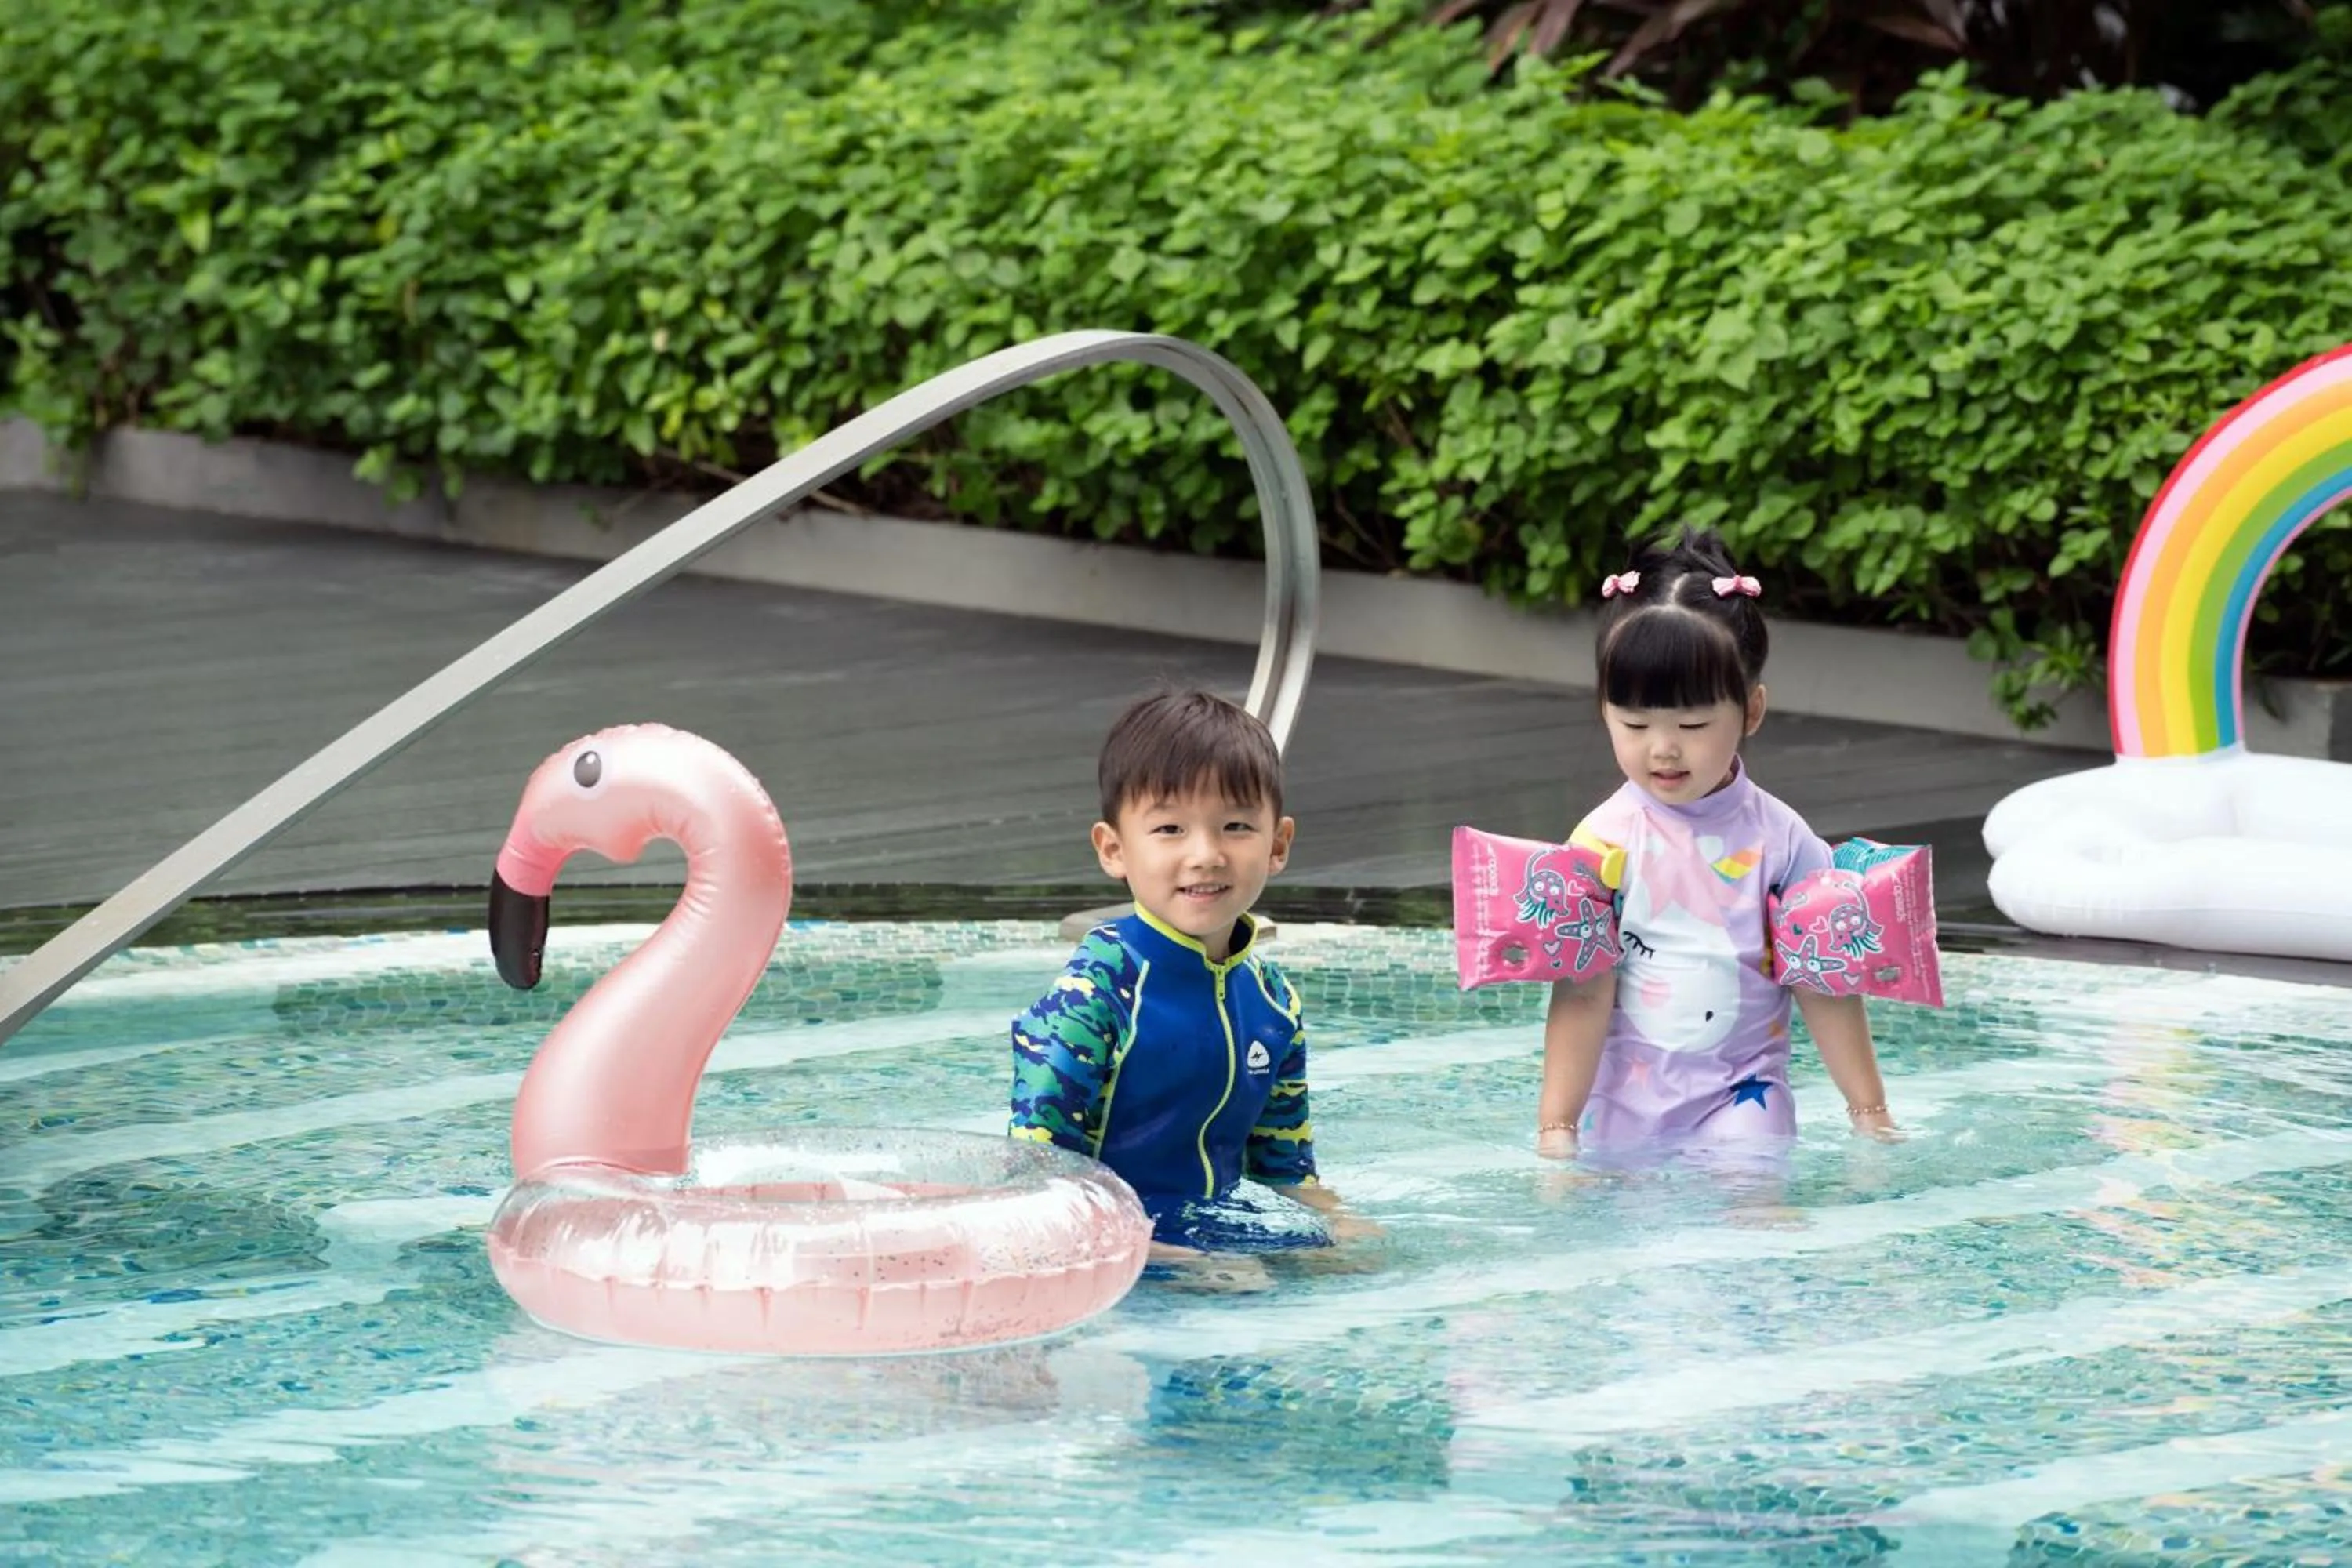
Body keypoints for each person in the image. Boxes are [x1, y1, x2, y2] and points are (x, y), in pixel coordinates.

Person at [1537, 526, 1898, 1160]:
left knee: (1752, 1212)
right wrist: (1556, 1129)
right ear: (1604, 710)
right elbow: (1584, 993)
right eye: (1636, 723)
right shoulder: (1599, 844)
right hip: (1620, 1103)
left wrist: (1869, 1112)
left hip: (1745, 1098)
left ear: (1751, 711)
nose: (1663, 748)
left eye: (1695, 724)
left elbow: (1826, 985)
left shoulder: (1784, 843)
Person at [1008, 689, 1370, 1275]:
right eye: (1170, 828)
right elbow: (1035, 1185)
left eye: (1234, 826)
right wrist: (1171, 1261)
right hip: (1108, 1257)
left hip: (1214, 1229)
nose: (1205, 855)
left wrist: (1347, 1230)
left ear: (1277, 844)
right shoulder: (1094, 996)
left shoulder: (1274, 1004)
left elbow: (1286, 1172)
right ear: (1113, 849)